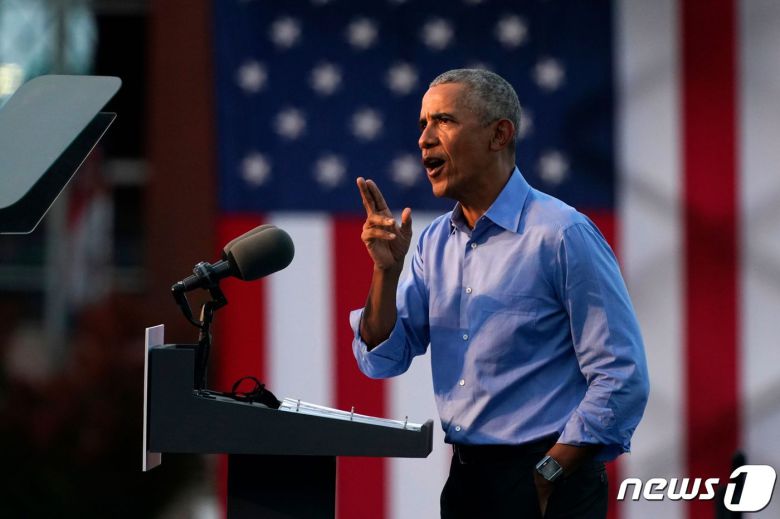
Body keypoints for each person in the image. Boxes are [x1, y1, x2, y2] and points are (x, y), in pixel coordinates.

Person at [350, 69, 649, 518]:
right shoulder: (433, 242)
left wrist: (551, 470)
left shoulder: (561, 233)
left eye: (444, 121)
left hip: (548, 478)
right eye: (422, 125)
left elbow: (621, 375)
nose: (424, 140)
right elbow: (381, 359)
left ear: (499, 134)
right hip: (467, 482)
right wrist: (384, 274)